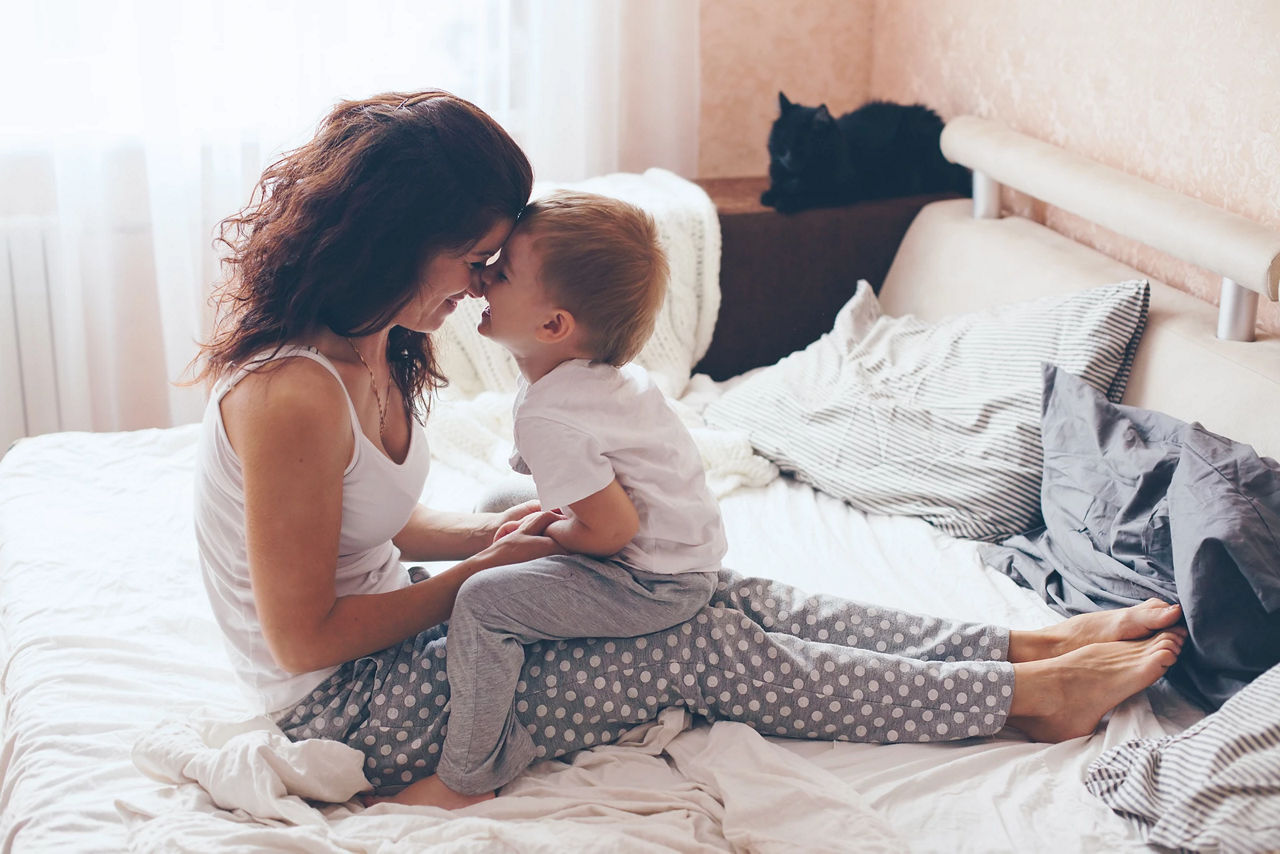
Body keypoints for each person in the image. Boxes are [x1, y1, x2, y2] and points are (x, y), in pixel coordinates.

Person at [191, 89, 1187, 813]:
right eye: (475, 258)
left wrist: (497, 534)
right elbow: (303, 639)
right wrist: (476, 577)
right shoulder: (292, 395)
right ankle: (1024, 700)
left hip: (392, 645)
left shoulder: (378, 339)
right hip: (345, 701)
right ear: (398, 237)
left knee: (720, 596)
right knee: (695, 644)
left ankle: (1021, 647)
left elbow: (374, 521)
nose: (482, 282)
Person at [399, 190, 727, 806]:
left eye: (500, 274)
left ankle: (466, 777)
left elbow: (611, 531)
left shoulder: (552, 414)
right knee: (500, 498)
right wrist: (543, 521)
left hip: (654, 583)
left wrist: (549, 537)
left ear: (554, 326)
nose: (479, 284)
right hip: (681, 551)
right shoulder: (592, 380)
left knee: (483, 600)